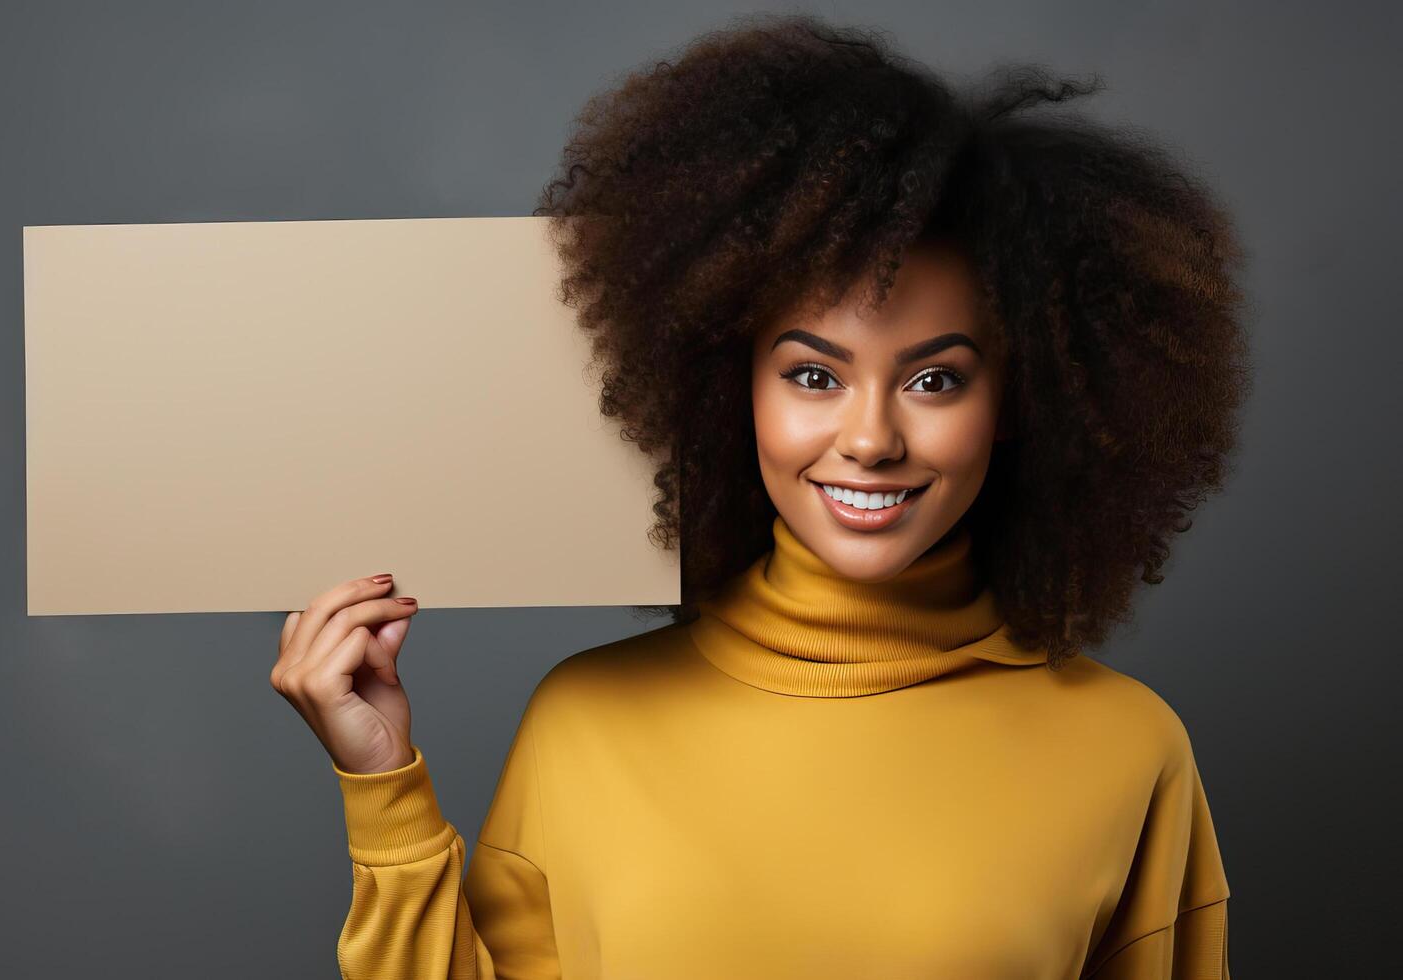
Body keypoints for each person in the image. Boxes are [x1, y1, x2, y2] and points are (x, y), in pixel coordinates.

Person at [271, 13, 1249, 979]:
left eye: (935, 379)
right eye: (813, 376)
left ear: (1024, 397)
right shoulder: (586, 724)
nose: (869, 440)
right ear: (723, 387)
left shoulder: (1128, 751)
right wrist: (381, 783)